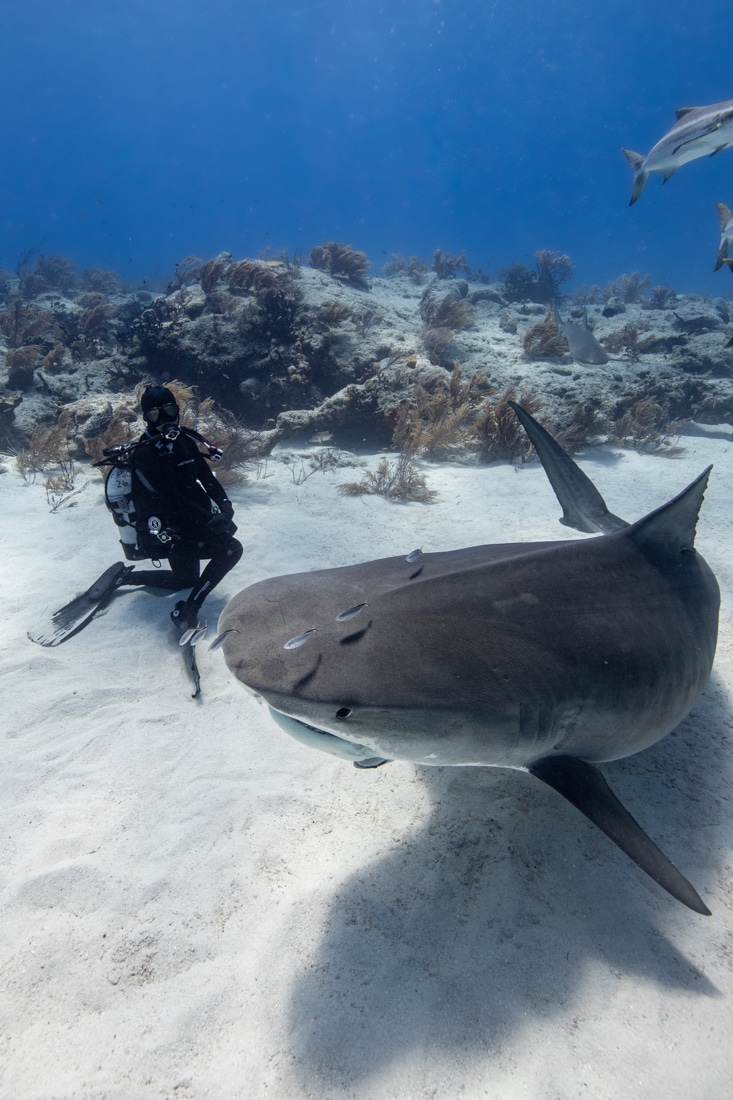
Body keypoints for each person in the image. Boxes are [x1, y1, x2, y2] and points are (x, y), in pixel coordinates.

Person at [119, 385, 243, 627]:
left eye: (168, 410)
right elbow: (171, 499)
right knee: (231, 549)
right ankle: (188, 609)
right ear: (146, 419)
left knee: (185, 580)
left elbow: (207, 478)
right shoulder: (144, 455)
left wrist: (226, 509)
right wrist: (212, 520)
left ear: (177, 410)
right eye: (155, 414)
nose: (165, 419)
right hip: (166, 533)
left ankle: (129, 577)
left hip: (192, 523)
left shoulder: (184, 442)